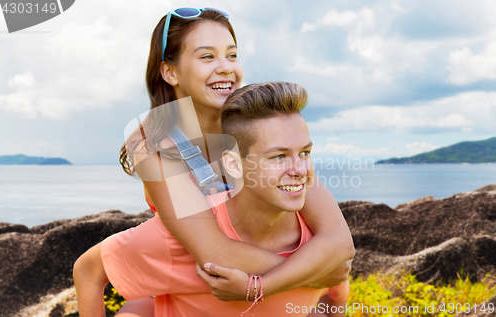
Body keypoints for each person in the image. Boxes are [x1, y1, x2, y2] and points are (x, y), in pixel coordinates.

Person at [73, 8, 354, 317]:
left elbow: (334, 234)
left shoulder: (256, 122)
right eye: (207, 57)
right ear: (170, 72)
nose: (226, 68)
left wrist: (282, 281)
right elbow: (215, 252)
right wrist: (317, 273)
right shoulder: (152, 141)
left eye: (232, 56)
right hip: (185, 270)